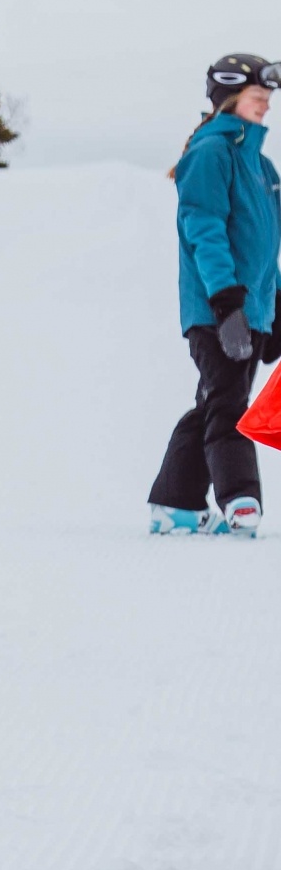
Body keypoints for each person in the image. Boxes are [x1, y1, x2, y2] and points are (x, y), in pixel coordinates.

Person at [147, 54, 280, 537]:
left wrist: (275, 304)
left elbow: (264, 247)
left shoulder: (261, 165)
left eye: (268, 97)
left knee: (214, 401)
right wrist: (226, 302)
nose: (266, 104)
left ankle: (176, 502)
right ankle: (241, 498)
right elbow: (204, 229)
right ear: (228, 98)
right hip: (216, 308)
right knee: (229, 406)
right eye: (256, 97)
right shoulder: (209, 154)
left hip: (251, 308)